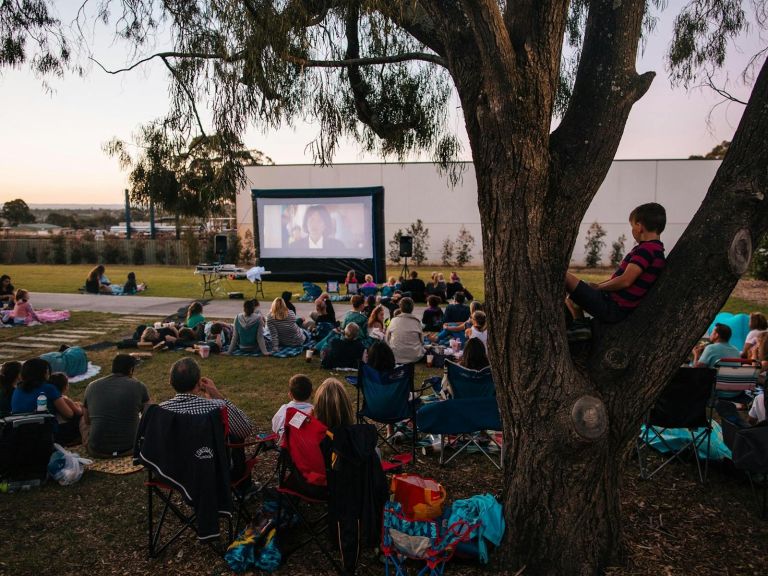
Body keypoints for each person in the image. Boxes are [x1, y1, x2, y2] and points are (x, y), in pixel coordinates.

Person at [160, 357, 256, 497]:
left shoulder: (160, 411)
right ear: (199, 383)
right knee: (234, 435)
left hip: (173, 473)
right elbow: (245, 429)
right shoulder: (216, 408)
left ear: (170, 382)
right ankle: (244, 489)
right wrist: (216, 394)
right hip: (213, 471)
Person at [565, 202, 666, 324]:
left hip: (613, 307)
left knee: (564, 276)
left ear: (639, 227)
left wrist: (598, 287)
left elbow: (626, 280)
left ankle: (580, 328)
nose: (632, 230)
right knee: (571, 300)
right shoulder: (657, 250)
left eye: (632, 226)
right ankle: (580, 327)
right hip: (614, 306)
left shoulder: (646, 250)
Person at [81, 354, 150, 457]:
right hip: (130, 447)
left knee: (82, 421)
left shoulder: (91, 386)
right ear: (131, 370)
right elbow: (149, 415)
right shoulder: (138, 385)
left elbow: (87, 421)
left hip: (97, 450)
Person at [10, 358, 74, 424]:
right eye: (47, 371)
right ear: (43, 373)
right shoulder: (48, 389)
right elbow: (69, 414)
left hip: (21, 431)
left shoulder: (18, 389)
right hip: (44, 431)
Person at [271, 374, 314, 440]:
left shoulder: (284, 410)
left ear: (290, 394)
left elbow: (275, 427)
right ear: (311, 393)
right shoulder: (315, 412)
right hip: (309, 448)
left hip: (286, 448)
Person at [385, 297, 425, 364]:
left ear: (400, 308)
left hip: (395, 356)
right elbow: (422, 341)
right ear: (412, 308)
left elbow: (387, 339)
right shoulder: (416, 322)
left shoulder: (394, 320)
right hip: (414, 356)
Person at [49, 372, 83, 445]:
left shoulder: (50, 397)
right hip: (62, 431)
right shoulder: (63, 399)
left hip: (55, 430)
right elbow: (78, 412)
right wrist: (79, 406)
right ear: (65, 386)